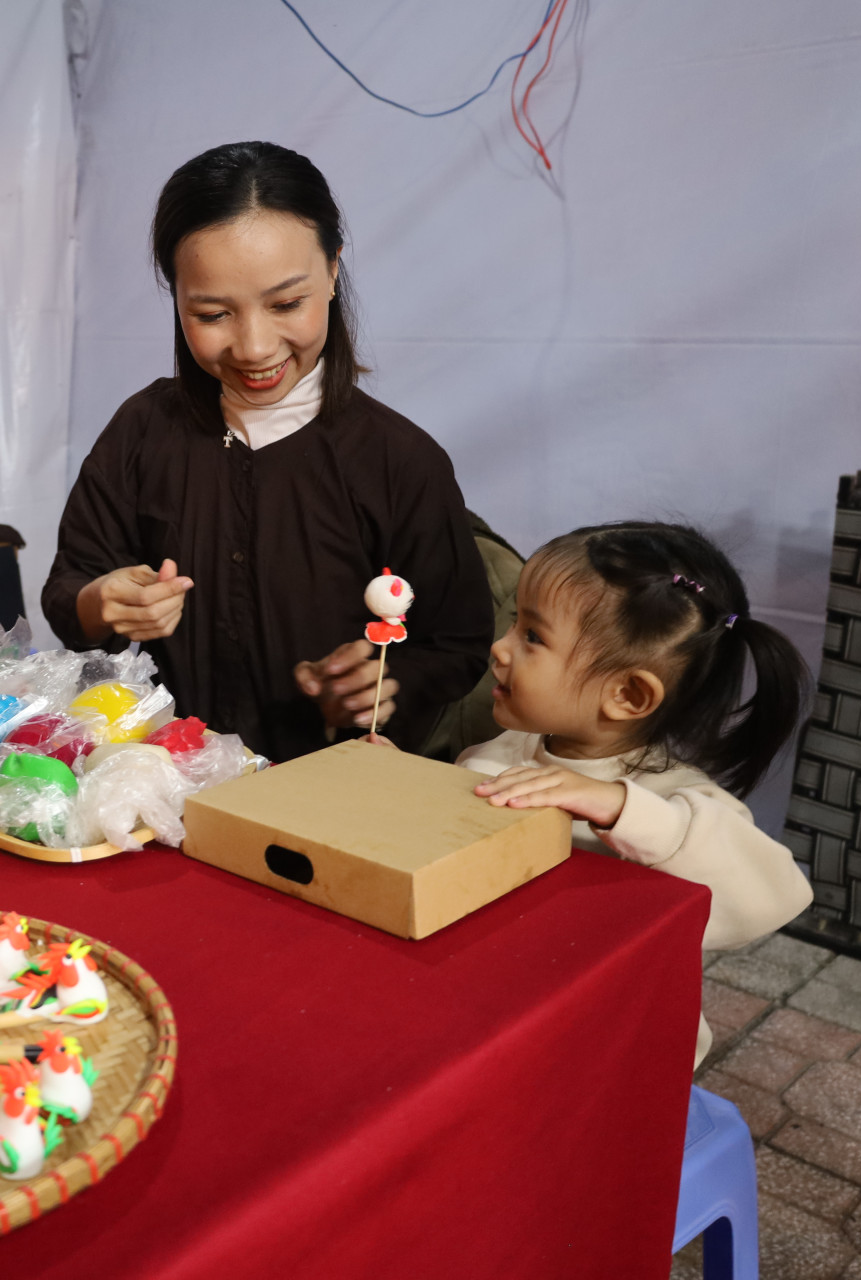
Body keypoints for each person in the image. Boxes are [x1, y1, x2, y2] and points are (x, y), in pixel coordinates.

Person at [42, 141, 494, 761]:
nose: (254, 347)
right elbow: (70, 592)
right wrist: (102, 602)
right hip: (165, 785)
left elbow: (459, 642)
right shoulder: (144, 430)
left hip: (329, 796)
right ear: (176, 297)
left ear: (333, 273)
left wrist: (387, 682)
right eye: (212, 313)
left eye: (286, 304)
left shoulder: (398, 459)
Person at [453, 520, 815, 1065]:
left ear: (626, 694)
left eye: (532, 636)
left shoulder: (674, 799)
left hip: (614, 1052)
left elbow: (776, 894)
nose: (500, 648)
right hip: (508, 1022)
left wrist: (620, 807)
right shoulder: (505, 750)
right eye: (513, 623)